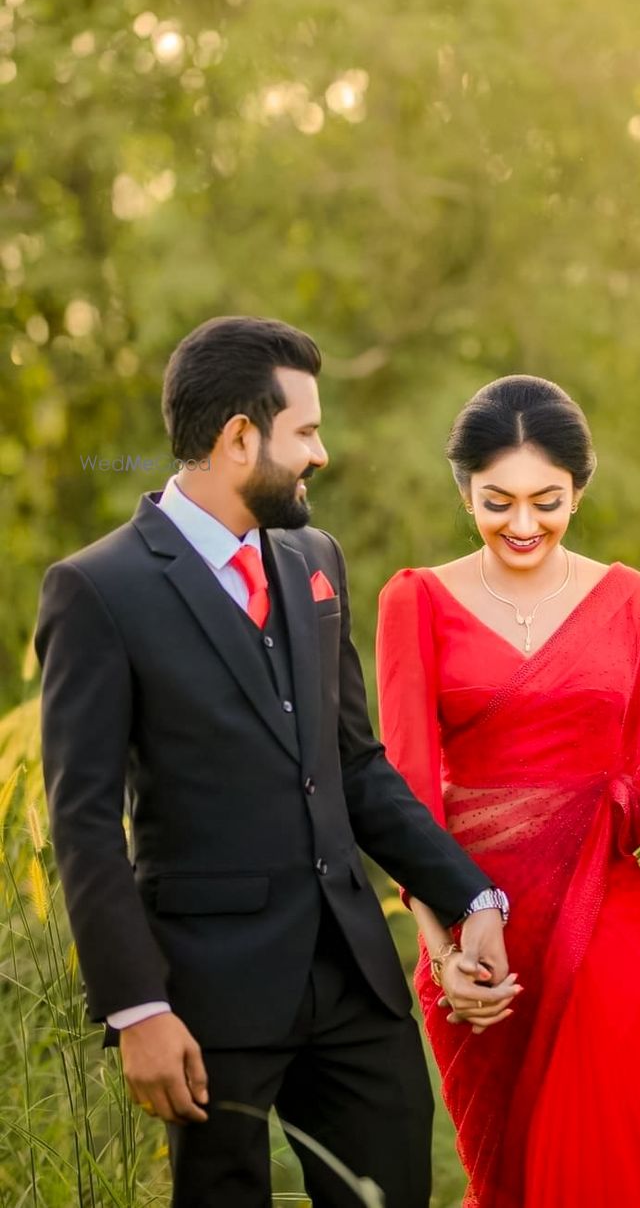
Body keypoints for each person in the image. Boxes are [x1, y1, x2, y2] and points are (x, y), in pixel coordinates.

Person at [34, 316, 518, 1208]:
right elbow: (85, 823)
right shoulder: (99, 589)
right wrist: (137, 1010)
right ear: (239, 439)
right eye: (306, 432)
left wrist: (469, 896)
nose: (321, 454)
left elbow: (357, 765)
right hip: (207, 1007)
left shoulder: (313, 558)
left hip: (355, 989)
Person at [375, 375, 640, 1208]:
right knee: (505, 1176)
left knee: (605, 1156)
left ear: (579, 488)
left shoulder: (637, 606)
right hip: (476, 930)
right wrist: (441, 955)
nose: (521, 524)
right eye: (495, 501)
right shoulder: (416, 602)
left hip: (615, 912)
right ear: (463, 490)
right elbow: (405, 802)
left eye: (546, 501)